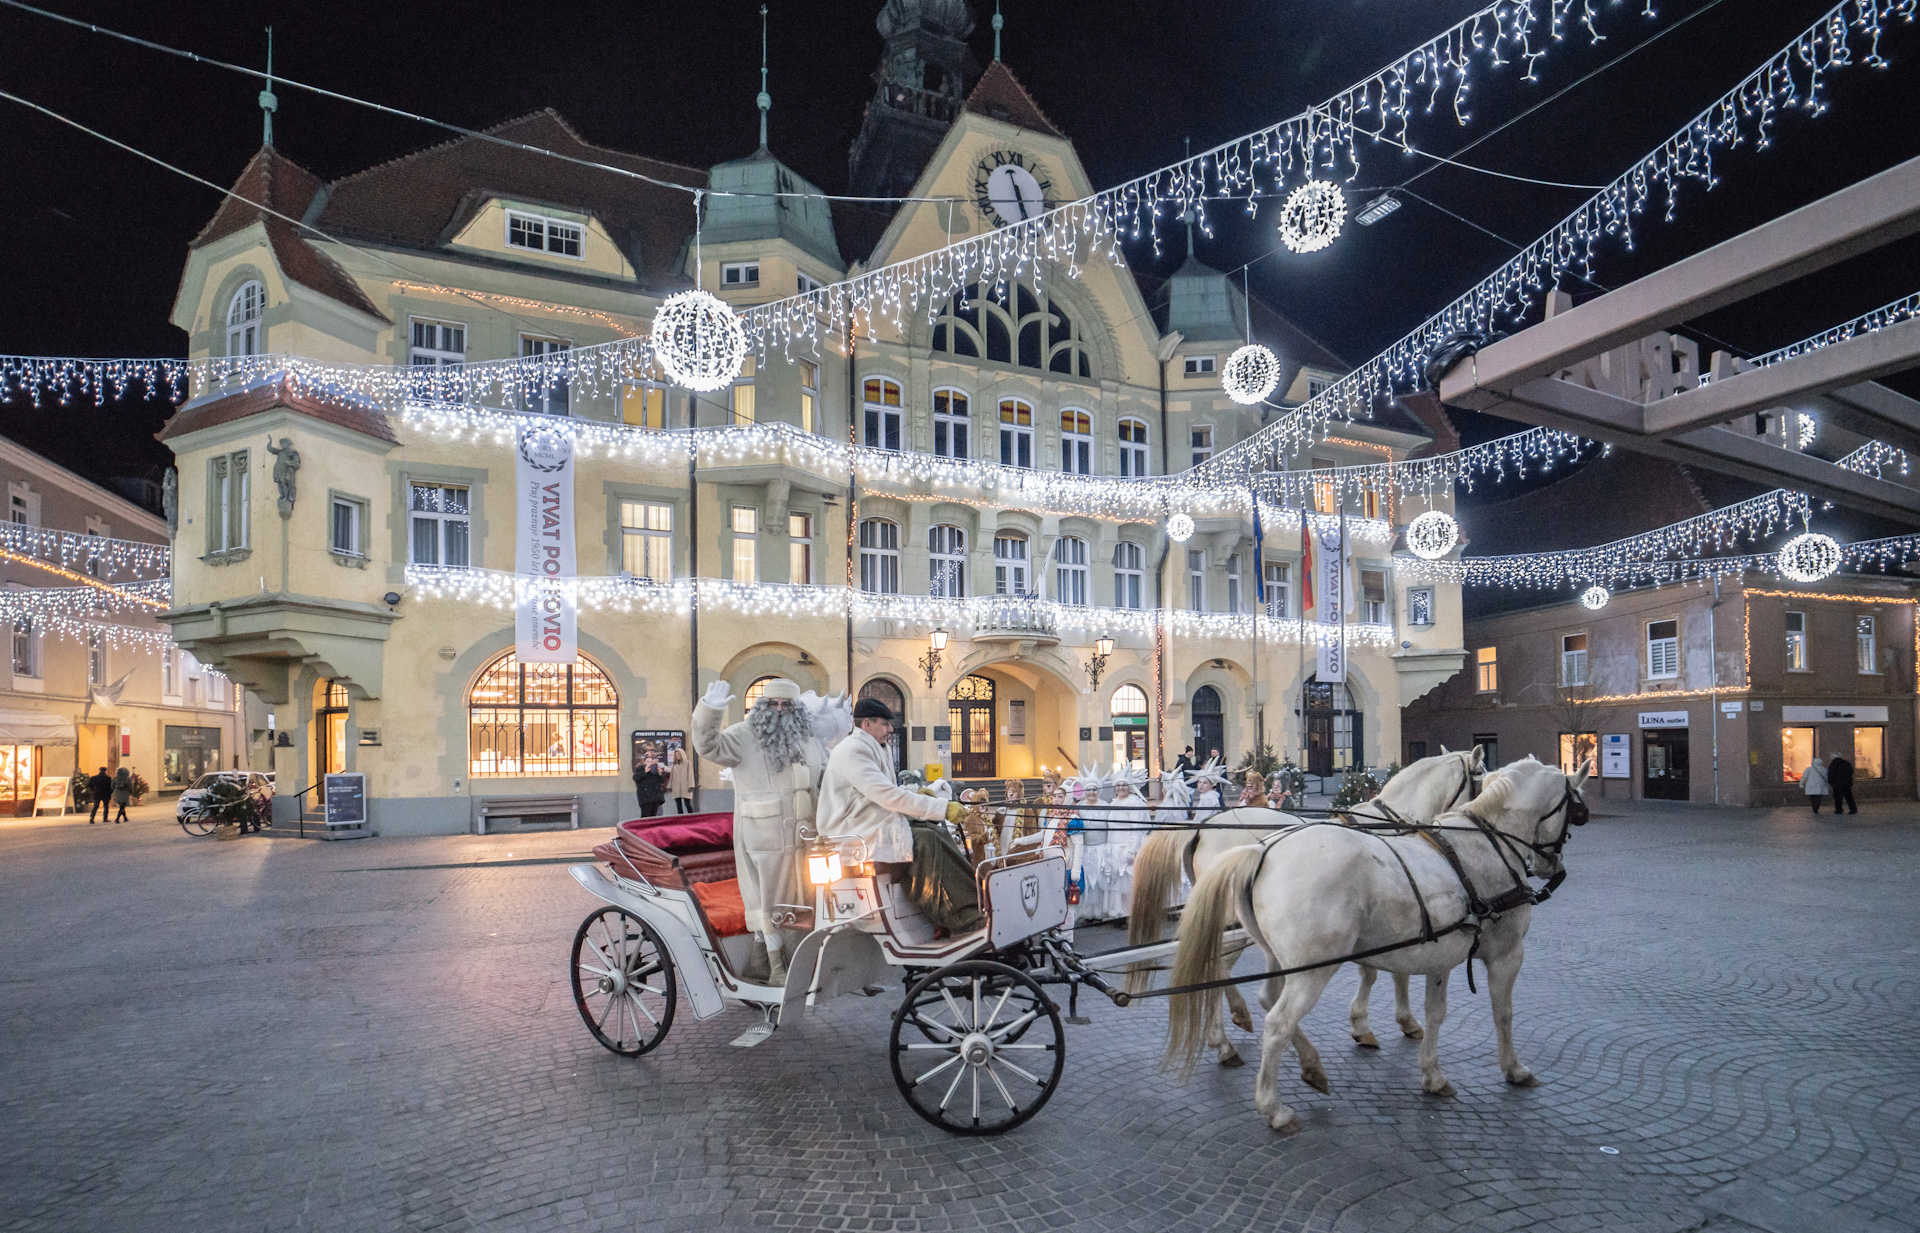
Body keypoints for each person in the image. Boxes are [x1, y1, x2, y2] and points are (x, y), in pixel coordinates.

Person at [692, 677, 827, 984]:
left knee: (799, 898)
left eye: (786, 705)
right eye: (773, 704)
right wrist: (709, 710)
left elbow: (820, 786)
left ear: (797, 710)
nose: (779, 711)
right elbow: (708, 746)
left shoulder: (809, 741)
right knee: (768, 900)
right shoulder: (743, 736)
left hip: (805, 838)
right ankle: (778, 968)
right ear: (763, 707)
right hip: (763, 835)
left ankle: (764, 961)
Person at [818, 696, 980, 934]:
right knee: (926, 841)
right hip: (853, 833)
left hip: (870, 823)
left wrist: (918, 791)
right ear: (866, 724)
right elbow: (886, 796)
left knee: (935, 831)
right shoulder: (853, 750)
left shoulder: (872, 747)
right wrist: (942, 808)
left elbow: (886, 791)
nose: (891, 729)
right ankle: (960, 917)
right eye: (885, 724)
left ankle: (972, 904)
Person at [632, 748, 667, 818]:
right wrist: (645, 771)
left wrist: (660, 773)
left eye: (651, 761)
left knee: (653, 815)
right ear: (644, 762)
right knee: (645, 814)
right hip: (645, 797)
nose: (649, 763)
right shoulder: (640, 769)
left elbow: (662, 781)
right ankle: (643, 828)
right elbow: (636, 778)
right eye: (647, 761)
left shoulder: (655, 770)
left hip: (655, 797)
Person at [665, 744, 693, 813]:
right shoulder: (674, 765)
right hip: (676, 787)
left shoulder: (688, 763)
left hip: (685, 786)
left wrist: (691, 785)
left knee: (687, 803)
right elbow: (672, 776)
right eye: (676, 755)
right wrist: (669, 786)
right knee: (678, 804)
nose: (677, 756)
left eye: (679, 754)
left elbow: (690, 775)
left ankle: (691, 816)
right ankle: (680, 817)